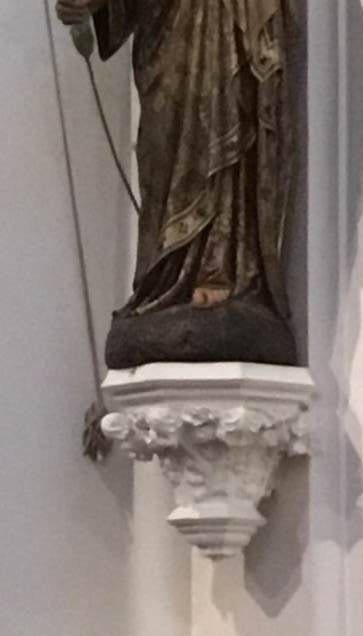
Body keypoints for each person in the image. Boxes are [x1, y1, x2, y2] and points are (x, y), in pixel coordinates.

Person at [56, 0, 297, 368]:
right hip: (164, 29)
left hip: (223, 16)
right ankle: (164, 279)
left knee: (220, 111)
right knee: (164, 144)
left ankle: (222, 266)